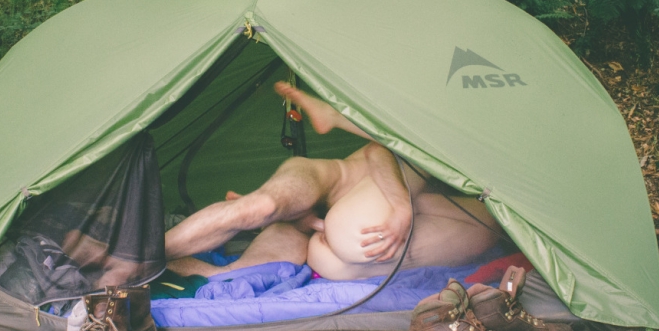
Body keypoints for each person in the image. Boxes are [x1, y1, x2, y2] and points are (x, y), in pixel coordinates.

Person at [164, 82, 500, 280]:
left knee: (237, 272)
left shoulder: (461, 188)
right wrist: (401, 207)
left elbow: (429, 210)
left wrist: (312, 222)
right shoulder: (424, 154)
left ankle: (182, 267)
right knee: (263, 206)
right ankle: (144, 252)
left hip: (323, 226)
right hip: (324, 181)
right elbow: (378, 153)